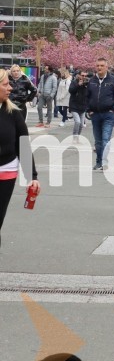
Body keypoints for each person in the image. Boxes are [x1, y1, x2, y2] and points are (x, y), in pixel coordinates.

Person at [0, 68, 39, 247]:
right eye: (5, 84)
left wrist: (32, 177)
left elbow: (23, 145)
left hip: (6, 172)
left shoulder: (13, 113)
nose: (10, 89)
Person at [86, 58, 114, 171]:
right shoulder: (92, 81)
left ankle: (104, 162)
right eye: (97, 65)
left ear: (106, 67)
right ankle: (98, 162)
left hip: (108, 114)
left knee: (105, 139)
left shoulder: (113, 80)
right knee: (97, 140)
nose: (99, 68)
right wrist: (89, 110)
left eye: (102, 65)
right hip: (95, 114)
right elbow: (87, 97)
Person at [68, 71, 89, 143]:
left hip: (82, 106)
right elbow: (70, 91)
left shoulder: (86, 83)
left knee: (81, 125)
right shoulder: (74, 82)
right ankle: (74, 137)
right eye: (82, 75)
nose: (84, 77)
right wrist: (78, 85)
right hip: (74, 105)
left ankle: (78, 138)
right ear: (79, 75)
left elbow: (89, 94)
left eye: (85, 75)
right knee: (77, 122)